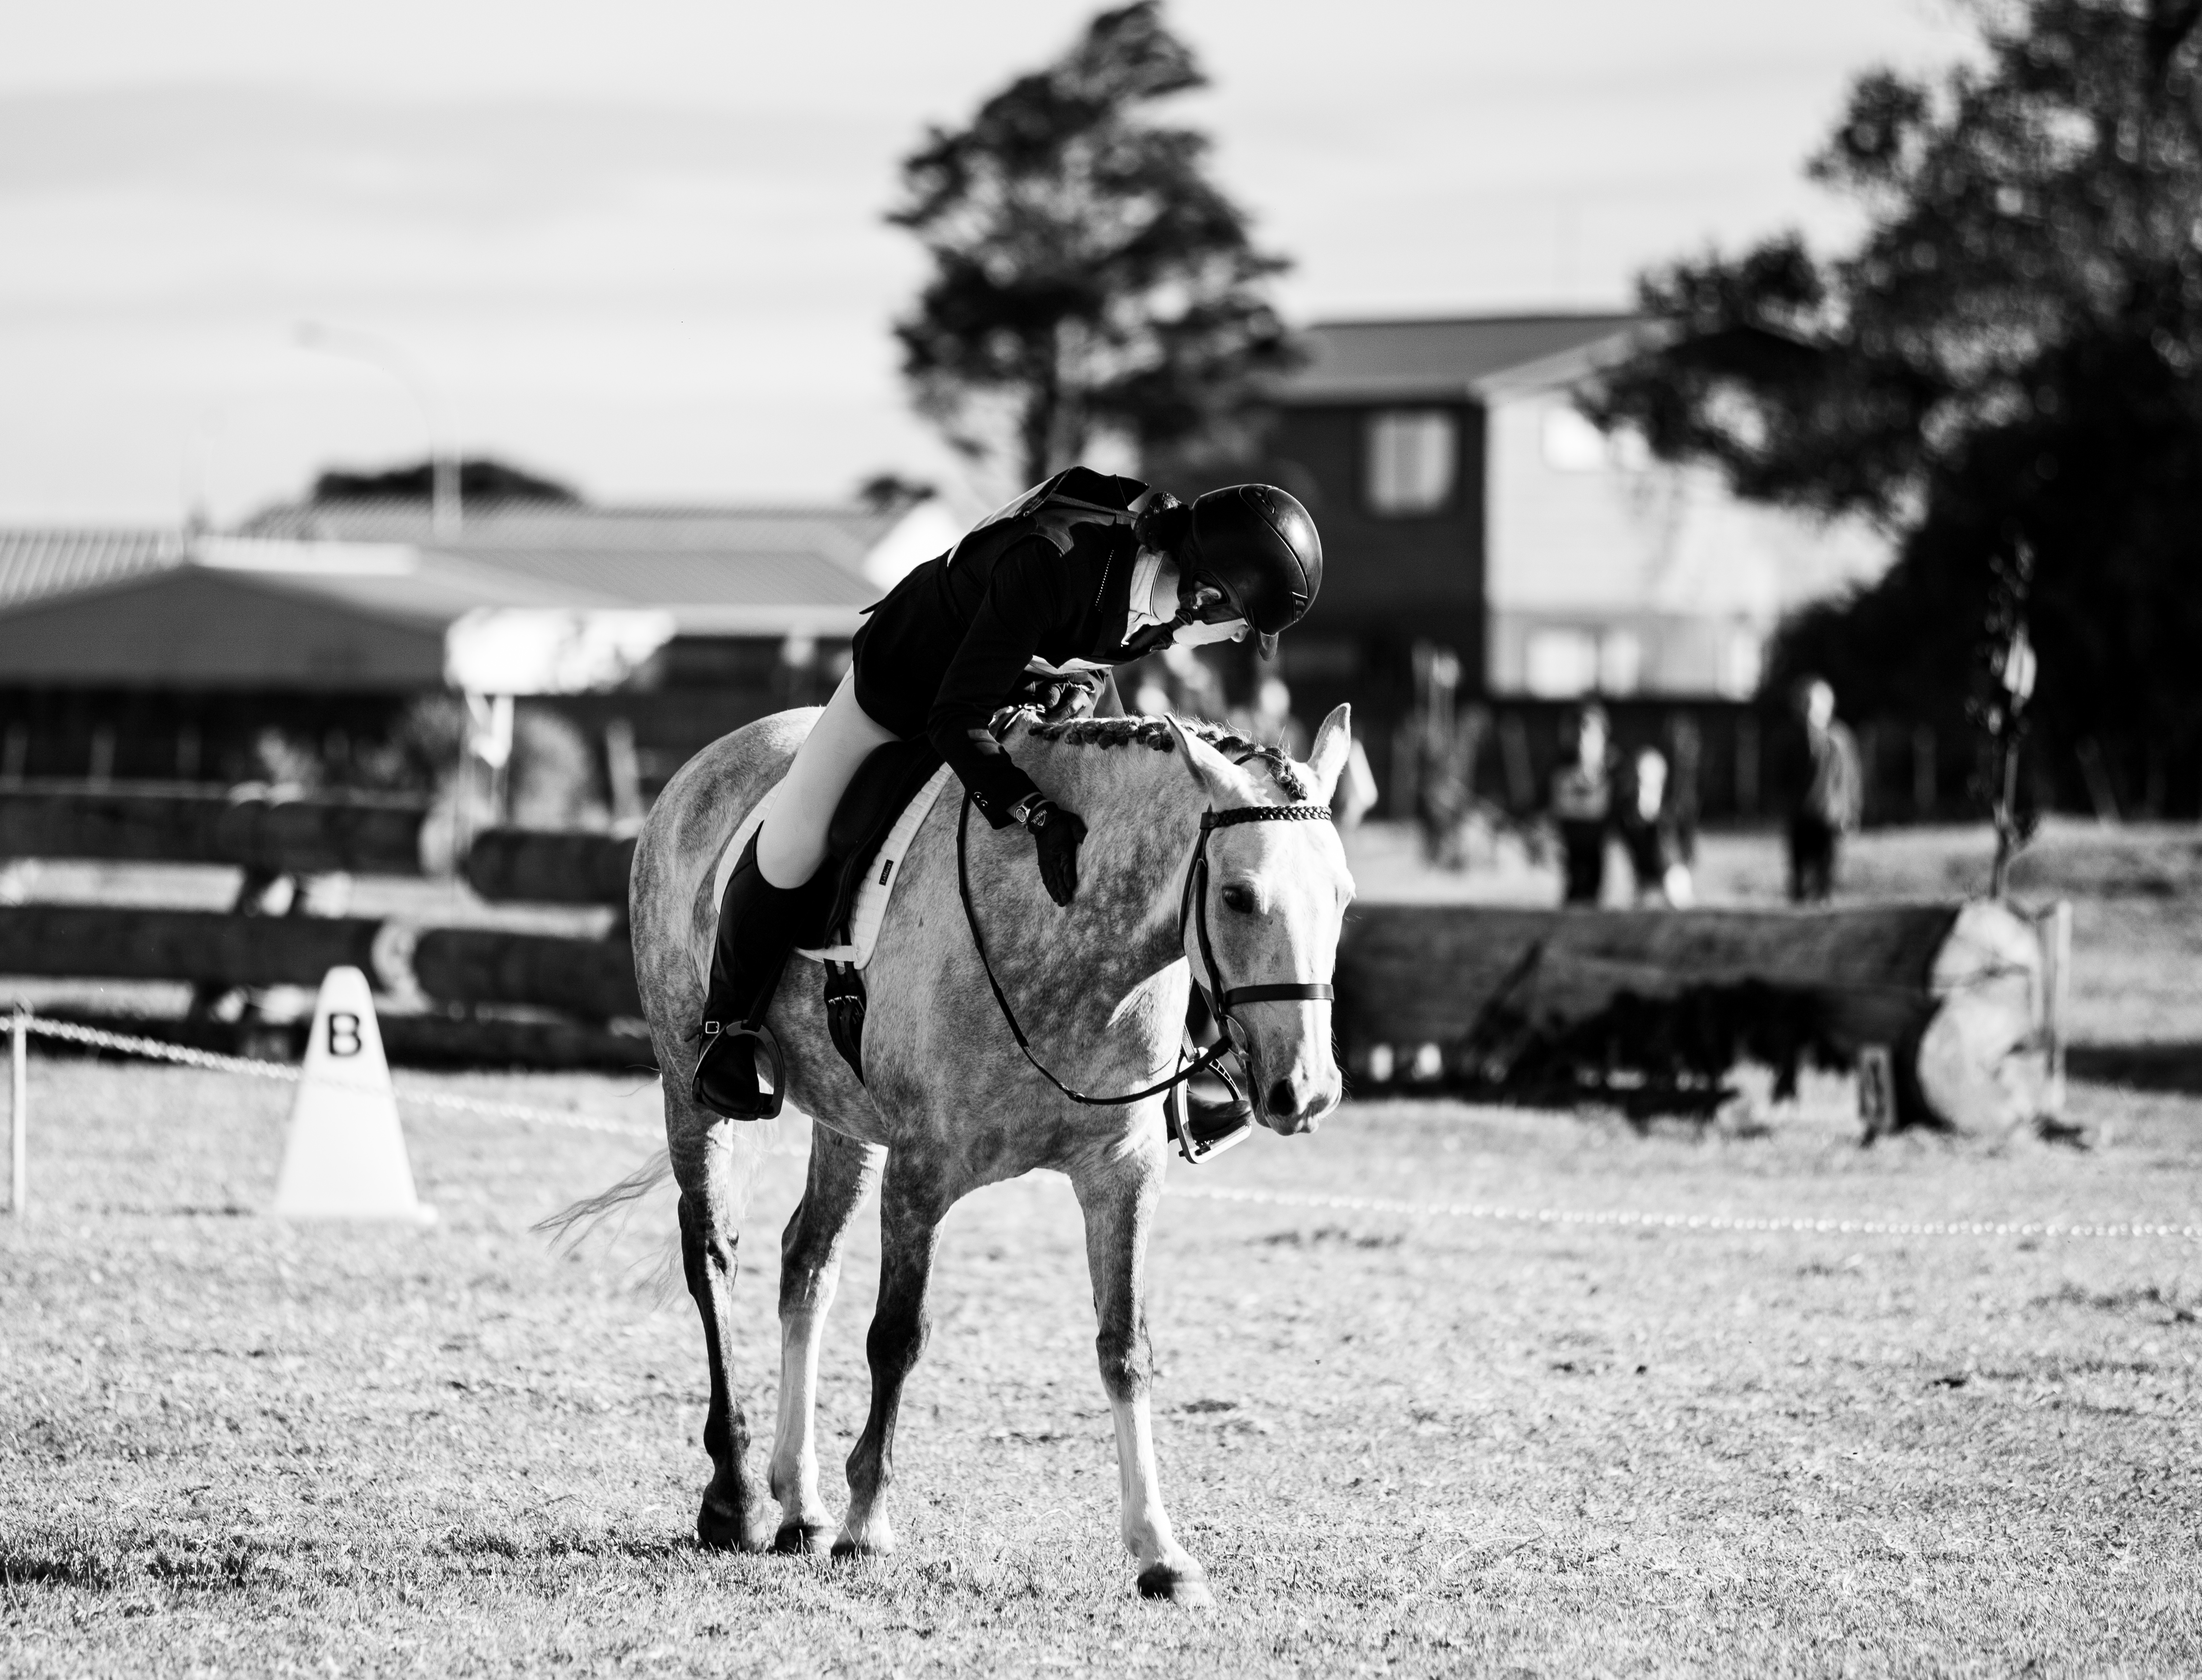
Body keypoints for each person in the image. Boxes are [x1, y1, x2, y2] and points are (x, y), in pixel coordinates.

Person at [692, 467, 1325, 1138]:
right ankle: (728, 1030)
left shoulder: (1163, 585)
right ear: (1202, 592)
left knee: (1138, 851)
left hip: (1046, 683)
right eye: (1233, 621)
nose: (1233, 638)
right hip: (913, 684)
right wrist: (1037, 812)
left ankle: (1168, 1071)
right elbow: (954, 717)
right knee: (799, 835)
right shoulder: (1051, 562)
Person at [1786, 676, 1862, 903]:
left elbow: (1850, 780)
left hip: (1829, 818)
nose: (1808, 710)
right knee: (1799, 880)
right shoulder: (1794, 738)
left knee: (1824, 878)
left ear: (1828, 707)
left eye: (1813, 704)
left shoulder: (1839, 738)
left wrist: (1851, 814)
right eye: (1804, 703)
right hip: (1801, 817)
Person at [1549, 702, 1612, 905]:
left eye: (1590, 732)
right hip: (1571, 881)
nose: (1583, 741)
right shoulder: (1560, 780)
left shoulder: (1616, 781)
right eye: (1577, 732)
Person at [1618, 744, 1694, 907]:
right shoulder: (1622, 821)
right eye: (1638, 782)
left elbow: (1684, 863)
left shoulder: (1672, 820)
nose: (1642, 792)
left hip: (1665, 890)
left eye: (1650, 785)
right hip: (1631, 892)